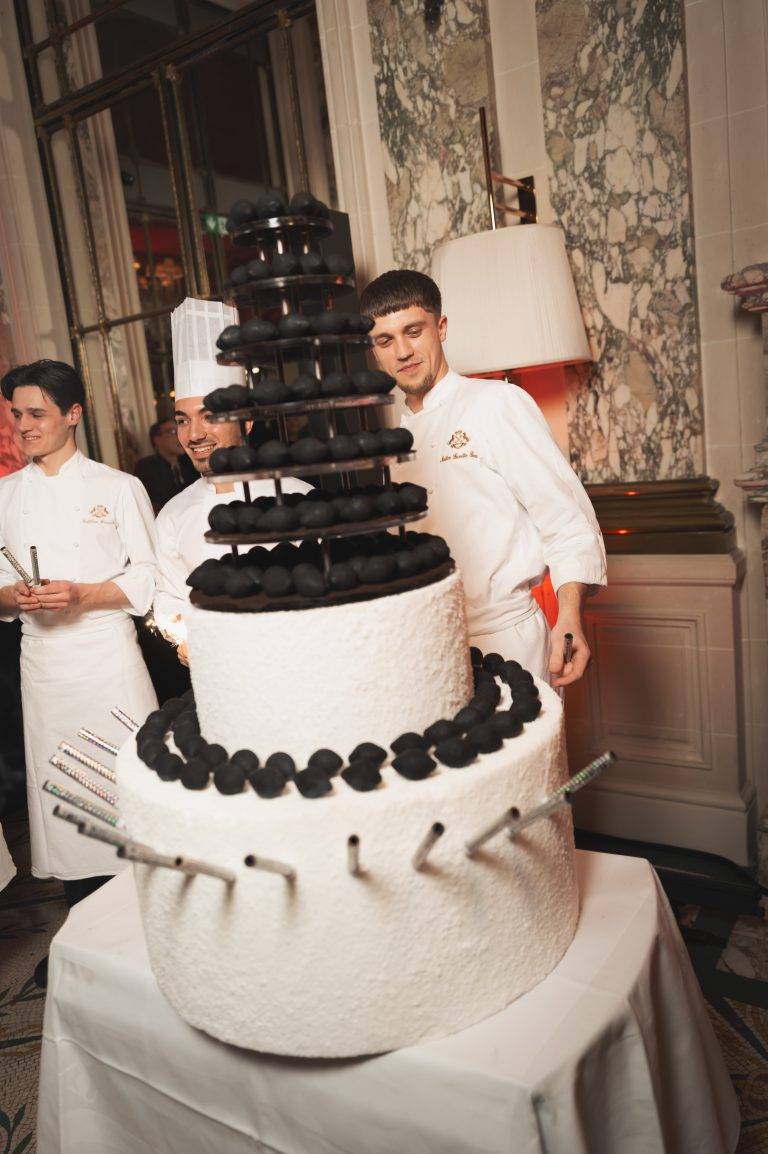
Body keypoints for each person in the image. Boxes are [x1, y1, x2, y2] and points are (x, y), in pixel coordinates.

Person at [359, 270, 606, 685]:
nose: (402, 351)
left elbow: (567, 521)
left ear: (441, 327)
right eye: (385, 341)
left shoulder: (497, 404)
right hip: (430, 642)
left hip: (507, 638)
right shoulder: (390, 441)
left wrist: (568, 616)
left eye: (413, 331)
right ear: (375, 352)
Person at [0, 360, 158, 895]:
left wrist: (84, 594)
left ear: (73, 415)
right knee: (69, 800)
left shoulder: (119, 487)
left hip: (108, 660)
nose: (23, 425)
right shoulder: (5, 496)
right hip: (43, 668)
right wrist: (15, 595)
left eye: (36, 413)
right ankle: (84, 921)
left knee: (131, 789)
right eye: (16, 413)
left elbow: (148, 576)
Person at [154, 298, 310, 665]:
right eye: (181, 420)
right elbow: (169, 600)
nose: (194, 434)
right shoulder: (174, 516)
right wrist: (186, 638)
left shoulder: (299, 500)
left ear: (247, 421)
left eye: (210, 416)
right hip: (220, 677)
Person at [134, 419, 197, 513]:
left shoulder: (190, 463)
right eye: (172, 432)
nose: (179, 436)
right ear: (157, 439)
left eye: (180, 431)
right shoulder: (146, 466)